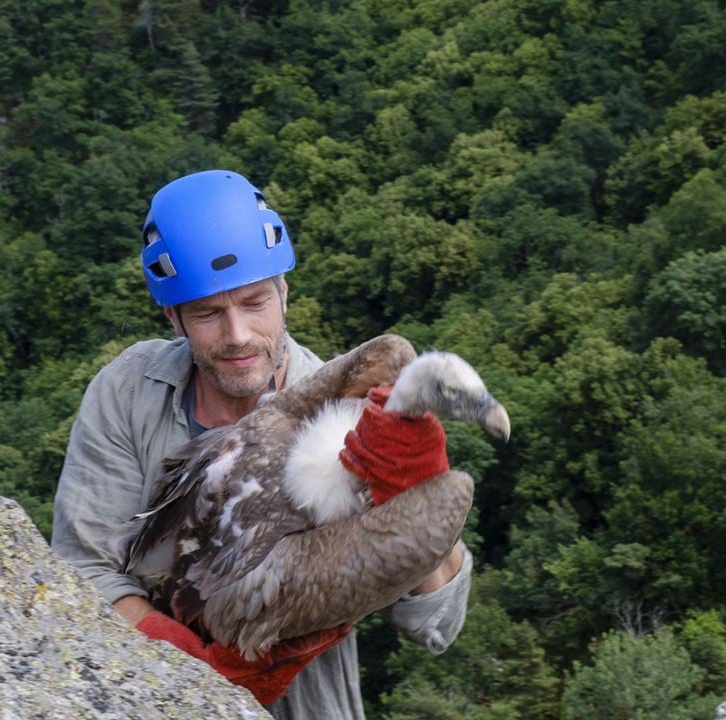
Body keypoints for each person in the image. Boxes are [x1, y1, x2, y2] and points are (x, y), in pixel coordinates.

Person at [52, 169, 474, 719]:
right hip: (146, 694)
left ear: (284, 291)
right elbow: (79, 569)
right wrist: (188, 671)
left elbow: (434, 624)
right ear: (172, 316)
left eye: (254, 303)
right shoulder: (131, 391)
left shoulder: (352, 409)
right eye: (207, 312)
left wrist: (413, 486)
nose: (237, 336)